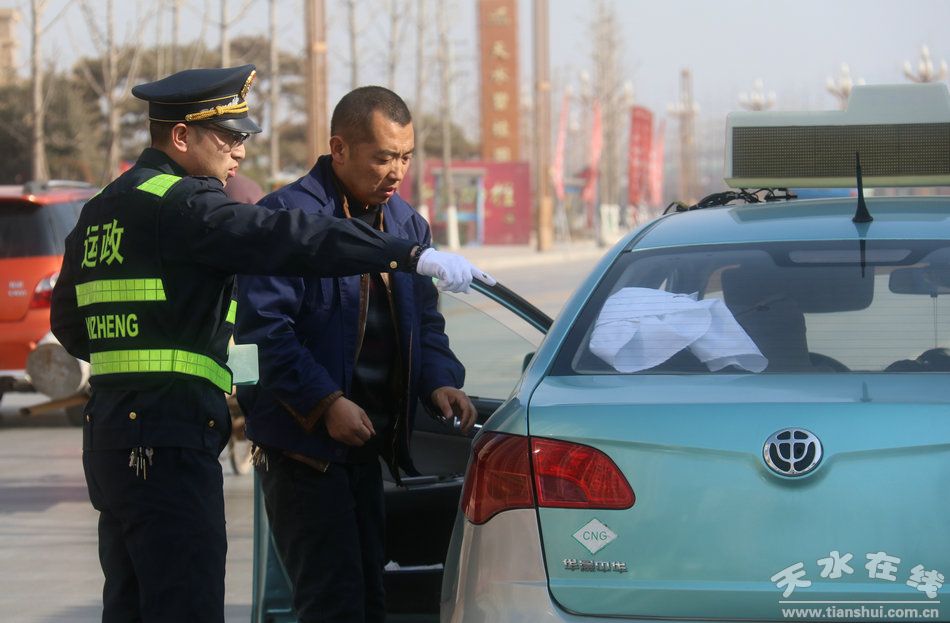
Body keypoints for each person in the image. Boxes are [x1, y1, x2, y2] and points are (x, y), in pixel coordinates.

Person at [49, 65, 491, 623]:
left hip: (113, 435)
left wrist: (147, 349)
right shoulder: (187, 205)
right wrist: (404, 255)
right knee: (186, 604)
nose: (240, 150)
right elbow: (288, 238)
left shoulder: (102, 207)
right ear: (181, 136)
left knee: (132, 605)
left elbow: (71, 323)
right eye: (228, 137)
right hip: (173, 433)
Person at [233, 86, 476, 623]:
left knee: (371, 598)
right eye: (383, 157)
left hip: (369, 447)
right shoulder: (287, 218)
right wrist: (325, 402)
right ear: (339, 149)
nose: (396, 172)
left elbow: (425, 322)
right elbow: (263, 332)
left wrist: (439, 380)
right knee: (331, 602)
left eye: (406, 157)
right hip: (305, 451)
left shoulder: (407, 225)